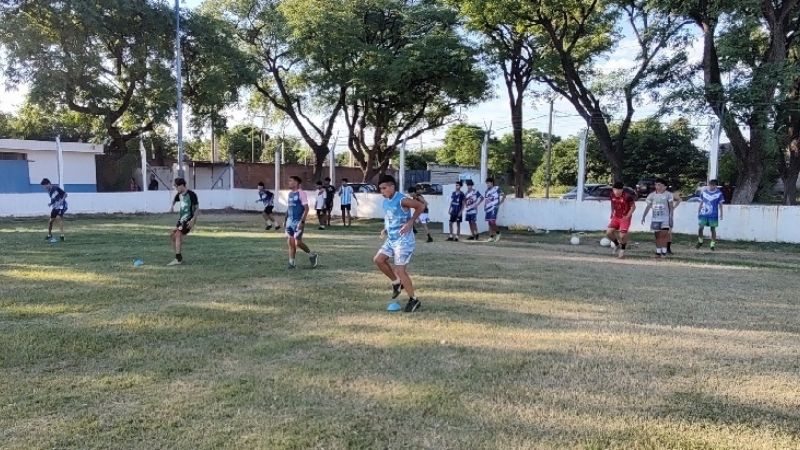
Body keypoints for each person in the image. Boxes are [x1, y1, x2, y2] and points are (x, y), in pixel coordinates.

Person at [374, 175, 425, 312]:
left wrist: (410, 222)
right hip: (392, 239)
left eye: (384, 188)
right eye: (380, 189)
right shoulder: (386, 201)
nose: (382, 191)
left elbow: (420, 206)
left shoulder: (402, 199)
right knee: (379, 260)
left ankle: (414, 300)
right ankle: (396, 282)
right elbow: (391, 217)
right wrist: (386, 228)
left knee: (400, 270)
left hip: (404, 240)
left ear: (392, 187)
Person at [285, 175, 319, 269]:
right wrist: (285, 220)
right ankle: (291, 263)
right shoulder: (290, 194)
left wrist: (302, 222)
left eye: (291, 181)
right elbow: (289, 208)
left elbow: (306, 209)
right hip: (289, 222)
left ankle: (312, 255)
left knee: (298, 243)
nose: (289, 183)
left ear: (296, 183)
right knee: (290, 242)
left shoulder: (301, 193)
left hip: (298, 222)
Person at [168, 178, 198, 266]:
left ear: (181, 185)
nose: (176, 188)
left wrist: (193, 220)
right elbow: (174, 200)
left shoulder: (191, 195)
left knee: (177, 234)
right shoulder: (179, 194)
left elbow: (197, 209)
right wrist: (172, 207)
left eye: (176, 186)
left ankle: (178, 259)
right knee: (172, 235)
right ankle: (178, 256)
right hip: (181, 219)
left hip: (188, 220)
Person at [640, 178, 674, 258]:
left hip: (665, 218)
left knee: (664, 235)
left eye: (659, 185)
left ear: (665, 187)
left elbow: (671, 207)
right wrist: (643, 216)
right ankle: (658, 252)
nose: (657, 187)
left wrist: (671, 217)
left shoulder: (668, 195)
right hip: (655, 219)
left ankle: (664, 252)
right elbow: (648, 206)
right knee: (657, 236)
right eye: (656, 185)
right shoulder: (652, 195)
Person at [606, 181, 636, 259]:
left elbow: (633, 207)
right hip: (616, 217)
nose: (616, 192)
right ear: (613, 189)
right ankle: (616, 244)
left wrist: (627, 216)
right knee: (609, 232)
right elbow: (612, 203)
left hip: (624, 217)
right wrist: (612, 212)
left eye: (618, 190)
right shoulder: (612, 195)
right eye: (615, 190)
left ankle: (622, 250)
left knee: (622, 236)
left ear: (622, 190)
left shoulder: (627, 196)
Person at [696, 179, 725, 250]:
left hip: (713, 214)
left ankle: (712, 245)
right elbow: (701, 202)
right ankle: (700, 241)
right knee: (700, 228)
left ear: (715, 186)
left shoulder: (719, 193)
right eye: (710, 185)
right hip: (703, 213)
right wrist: (698, 211)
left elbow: (721, 204)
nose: (711, 186)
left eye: (713, 185)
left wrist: (721, 214)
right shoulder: (704, 192)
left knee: (712, 229)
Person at [484, 177, 506, 242]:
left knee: (492, 221)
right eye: (487, 183)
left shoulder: (497, 188)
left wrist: (499, 204)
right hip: (488, 208)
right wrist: (485, 206)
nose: (487, 184)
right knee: (489, 222)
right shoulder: (486, 191)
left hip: (494, 207)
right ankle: (491, 237)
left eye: (488, 183)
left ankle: (498, 233)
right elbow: (486, 200)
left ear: (492, 183)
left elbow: (504, 196)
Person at [667, 188, 682, 254]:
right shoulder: (668, 195)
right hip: (665, 216)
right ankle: (665, 248)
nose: (680, 195)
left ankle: (667, 248)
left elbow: (680, 199)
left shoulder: (670, 196)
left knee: (669, 232)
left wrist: (674, 207)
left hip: (669, 216)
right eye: (678, 193)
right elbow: (679, 199)